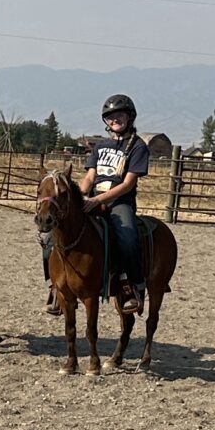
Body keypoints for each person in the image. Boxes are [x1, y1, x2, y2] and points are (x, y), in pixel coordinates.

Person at [68, 94, 151, 305]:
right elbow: (89, 176)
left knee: (128, 236)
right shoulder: (100, 146)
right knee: (57, 230)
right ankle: (56, 284)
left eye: (119, 115)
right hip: (93, 198)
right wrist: (81, 195)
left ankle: (134, 285)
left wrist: (98, 201)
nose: (114, 120)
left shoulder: (138, 147)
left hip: (119, 202)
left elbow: (127, 184)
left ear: (130, 117)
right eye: (110, 117)